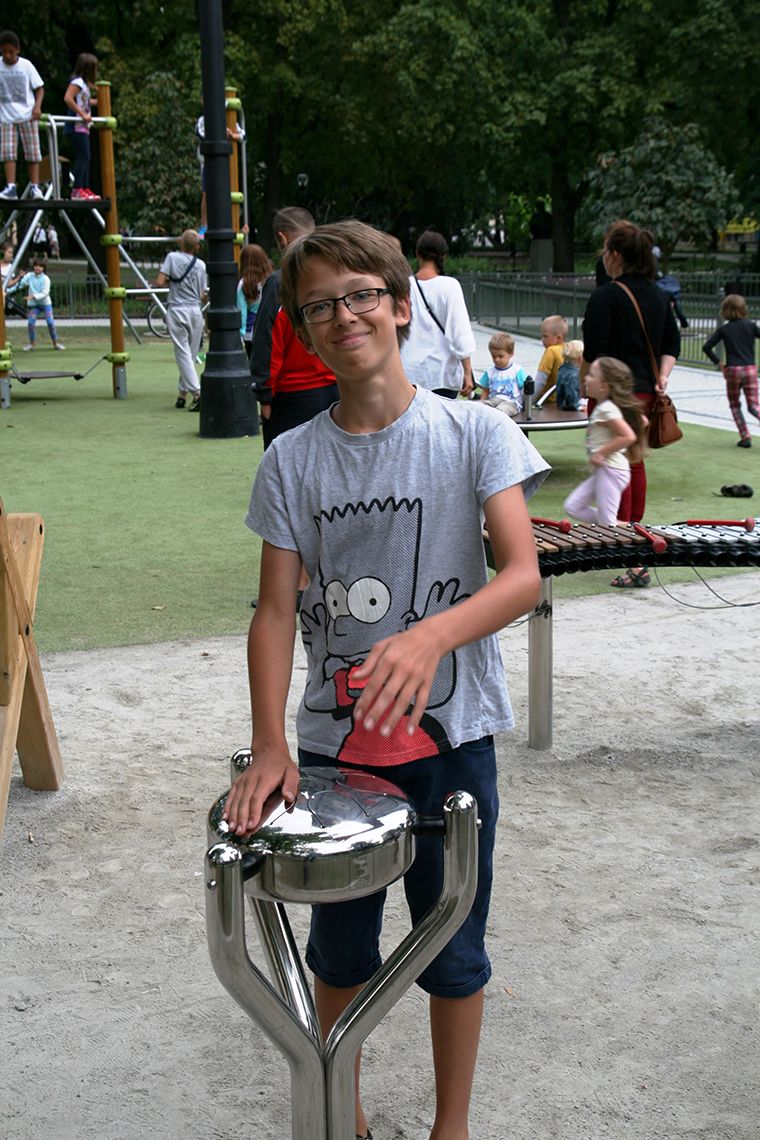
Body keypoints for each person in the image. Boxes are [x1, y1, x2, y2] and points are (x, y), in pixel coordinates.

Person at [224, 219, 549, 1140]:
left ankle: (453, 1126)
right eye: (317, 307)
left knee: (454, 944)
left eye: (361, 296)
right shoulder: (291, 459)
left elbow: (521, 573)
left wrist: (431, 638)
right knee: (341, 949)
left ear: (402, 307)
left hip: (456, 740)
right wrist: (273, 744)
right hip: (335, 752)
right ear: (301, 328)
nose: (342, 316)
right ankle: (348, 1114)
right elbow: (275, 612)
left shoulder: (473, 431)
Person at [582, 219, 680, 588]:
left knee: (613, 470)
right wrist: (662, 376)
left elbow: (594, 352)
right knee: (633, 468)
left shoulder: (605, 296)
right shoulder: (658, 295)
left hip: (615, 397)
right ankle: (636, 545)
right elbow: (671, 342)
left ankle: (627, 548)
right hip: (645, 393)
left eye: (606, 250)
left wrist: (589, 387)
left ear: (616, 255)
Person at [249, 206, 335, 449]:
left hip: (294, 394)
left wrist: (264, 393)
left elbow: (267, 338)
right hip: (336, 388)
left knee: (288, 472)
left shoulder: (281, 281)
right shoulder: (332, 274)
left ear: (282, 238)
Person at [564, 356, 646, 530]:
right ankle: (625, 526)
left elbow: (628, 436)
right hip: (605, 470)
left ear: (603, 386)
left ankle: (626, 530)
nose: (586, 377)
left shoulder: (607, 409)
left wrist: (601, 453)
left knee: (608, 524)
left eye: (592, 375)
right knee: (573, 507)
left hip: (611, 470)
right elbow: (643, 421)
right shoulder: (607, 407)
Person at [400, 229, 475, 398]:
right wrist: (467, 371)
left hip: (409, 371)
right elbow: (459, 331)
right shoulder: (450, 286)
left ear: (418, 255)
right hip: (443, 372)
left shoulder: (404, 286)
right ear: (444, 256)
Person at [155, 228, 207, 410]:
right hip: (195, 310)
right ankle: (182, 394)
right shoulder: (201, 265)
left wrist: (173, 280)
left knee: (183, 353)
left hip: (178, 309)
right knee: (190, 354)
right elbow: (202, 294)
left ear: (181, 243)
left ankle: (197, 392)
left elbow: (160, 282)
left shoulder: (172, 258)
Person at [702, 294, 760, 449]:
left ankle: (745, 436)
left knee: (735, 405)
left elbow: (706, 347)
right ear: (743, 309)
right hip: (750, 369)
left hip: (733, 370)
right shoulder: (751, 326)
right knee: (754, 406)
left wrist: (719, 363)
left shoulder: (725, 329)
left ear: (725, 311)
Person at [0, 31, 44, 200]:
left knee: (33, 152)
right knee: (8, 152)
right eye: (4, 52)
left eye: (10, 51)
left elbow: (39, 88)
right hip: (6, 116)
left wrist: (37, 107)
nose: (7, 55)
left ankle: (35, 186)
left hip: (27, 114)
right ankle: (11, 187)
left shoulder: (26, 66)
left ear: (17, 50)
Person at [195, 112, 244, 237]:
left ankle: (228, 223)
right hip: (208, 161)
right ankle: (204, 225)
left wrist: (232, 135)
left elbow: (243, 135)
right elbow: (200, 134)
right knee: (206, 193)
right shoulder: (203, 119)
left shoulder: (229, 119)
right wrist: (221, 133)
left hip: (226, 161)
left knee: (226, 192)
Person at [5, 256, 64, 350]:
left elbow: (45, 293)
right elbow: (19, 285)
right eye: (36, 265)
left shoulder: (46, 279)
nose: (37, 268)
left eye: (40, 266)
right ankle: (32, 344)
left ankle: (55, 343)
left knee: (50, 323)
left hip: (45, 304)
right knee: (31, 323)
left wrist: (33, 296)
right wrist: (6, 291)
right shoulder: (29, 276)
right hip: (34, 306)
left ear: (43, 268)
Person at [63, 53, 99, 200]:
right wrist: (82, 114)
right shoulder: (77, 82)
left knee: (87, 156)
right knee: (83, 155)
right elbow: (68, 98)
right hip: (76, 125)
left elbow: (83, 101)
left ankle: (85, 188)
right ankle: (77, 189)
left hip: (83, 126)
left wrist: (96, 102)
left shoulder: (84, 86)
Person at [236, 242, 273, 358]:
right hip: (271, 327)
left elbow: (241, 310)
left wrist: (240, 334)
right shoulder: (272, 280)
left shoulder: (244, 284)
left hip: (250, 332)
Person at [477, 331, 526, 414]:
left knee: (501, 411)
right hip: (494, 400)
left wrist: (525, 406)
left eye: (500, 356)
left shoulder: (517, 370)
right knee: (477, 407)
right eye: (494, 356)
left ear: (511, 354)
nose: (497, 359)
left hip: (511, 402)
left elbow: (525, 389)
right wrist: (481, 405)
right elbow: (485, 391)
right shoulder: (489, 372)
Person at [533, 314, 568, 403]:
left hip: (547, 400)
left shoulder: (551, 351)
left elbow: (540, 381)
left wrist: (528, 401)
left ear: (558, 338)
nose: (542, 339)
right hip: (564, 400)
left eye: (545, 336)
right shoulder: (568, 349)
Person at [555, 339, 583, 410]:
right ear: (579, 359)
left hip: (561, 404)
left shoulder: (562, 369)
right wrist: (578, 406)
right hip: (569, 408)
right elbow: (571, 395)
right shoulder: (573, 375)